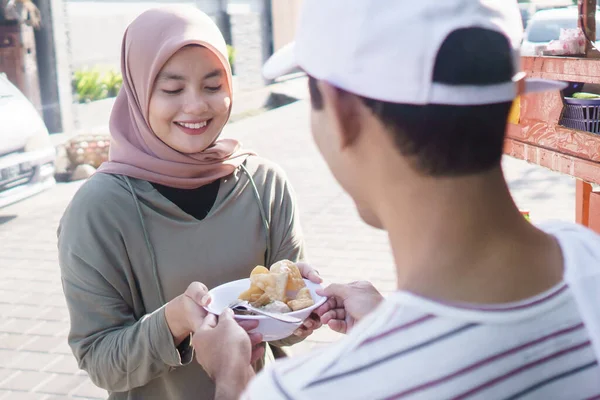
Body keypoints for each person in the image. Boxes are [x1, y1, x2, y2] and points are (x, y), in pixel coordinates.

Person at [192, 0, 600, 399]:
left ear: (341, 112)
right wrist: (388, 324)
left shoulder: (303, 390)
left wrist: (231, 379)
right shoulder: (586, 254)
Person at [56, 6, 321, 400]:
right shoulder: (97, 211)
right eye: (173, 89)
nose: (196, 105)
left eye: (213, 86)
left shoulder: (265, 185)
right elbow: (100, 361)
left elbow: (285, 332)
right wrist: (173, 323)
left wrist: (301, 314)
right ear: (138, 90)